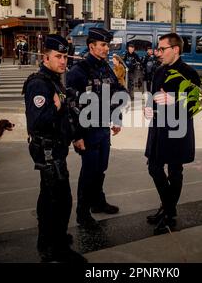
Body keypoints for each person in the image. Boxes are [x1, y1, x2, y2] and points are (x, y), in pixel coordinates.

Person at [22, 34, 86, 263]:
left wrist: (76, 136)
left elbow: (66, 114)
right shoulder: (39, 83)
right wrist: (56, 107)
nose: (63, 61)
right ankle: (56, 248)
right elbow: (36, 122)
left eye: (65, 56)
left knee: (48, 196)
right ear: (45, 57)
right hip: (47, 149)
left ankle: (48, 239)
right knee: (61, 199)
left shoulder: (54, 80)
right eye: (58, 56)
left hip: (56, 148)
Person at [66, 27, 126, 228]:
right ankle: (82, 213)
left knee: (101, 168)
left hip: (103, 128)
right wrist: (77, 136)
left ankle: (98, 203)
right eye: (102, 45)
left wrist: (117, 118)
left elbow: (118, 92)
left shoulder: (105, 67)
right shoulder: (78, 71)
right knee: (89, 171)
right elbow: (73, 107)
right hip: (87, 130)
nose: (106, 49)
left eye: (107, 45)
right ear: (91, 46)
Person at [143, 33, 201, 235]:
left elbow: (194, 105)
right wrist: (148, 108)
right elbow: (152, 96)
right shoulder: (159, 71)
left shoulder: (189, 73)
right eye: (158, 49)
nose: (159, 53)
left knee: (175, 171)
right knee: (153, 167)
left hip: (177, 130)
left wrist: (175, 101)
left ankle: (167, 213)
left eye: (162, 49)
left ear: (175, 49)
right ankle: (169, 209)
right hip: (158, 129)